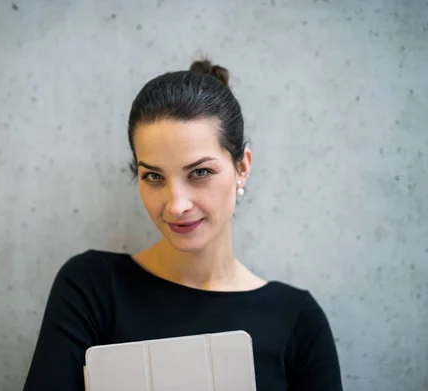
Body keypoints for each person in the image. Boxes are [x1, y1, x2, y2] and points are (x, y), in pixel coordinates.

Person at [22, 59, 343, 390]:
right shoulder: (91, 289)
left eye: (200, 173)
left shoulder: (298, 320)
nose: (176, 205)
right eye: (154, 176)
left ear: (242, 168)